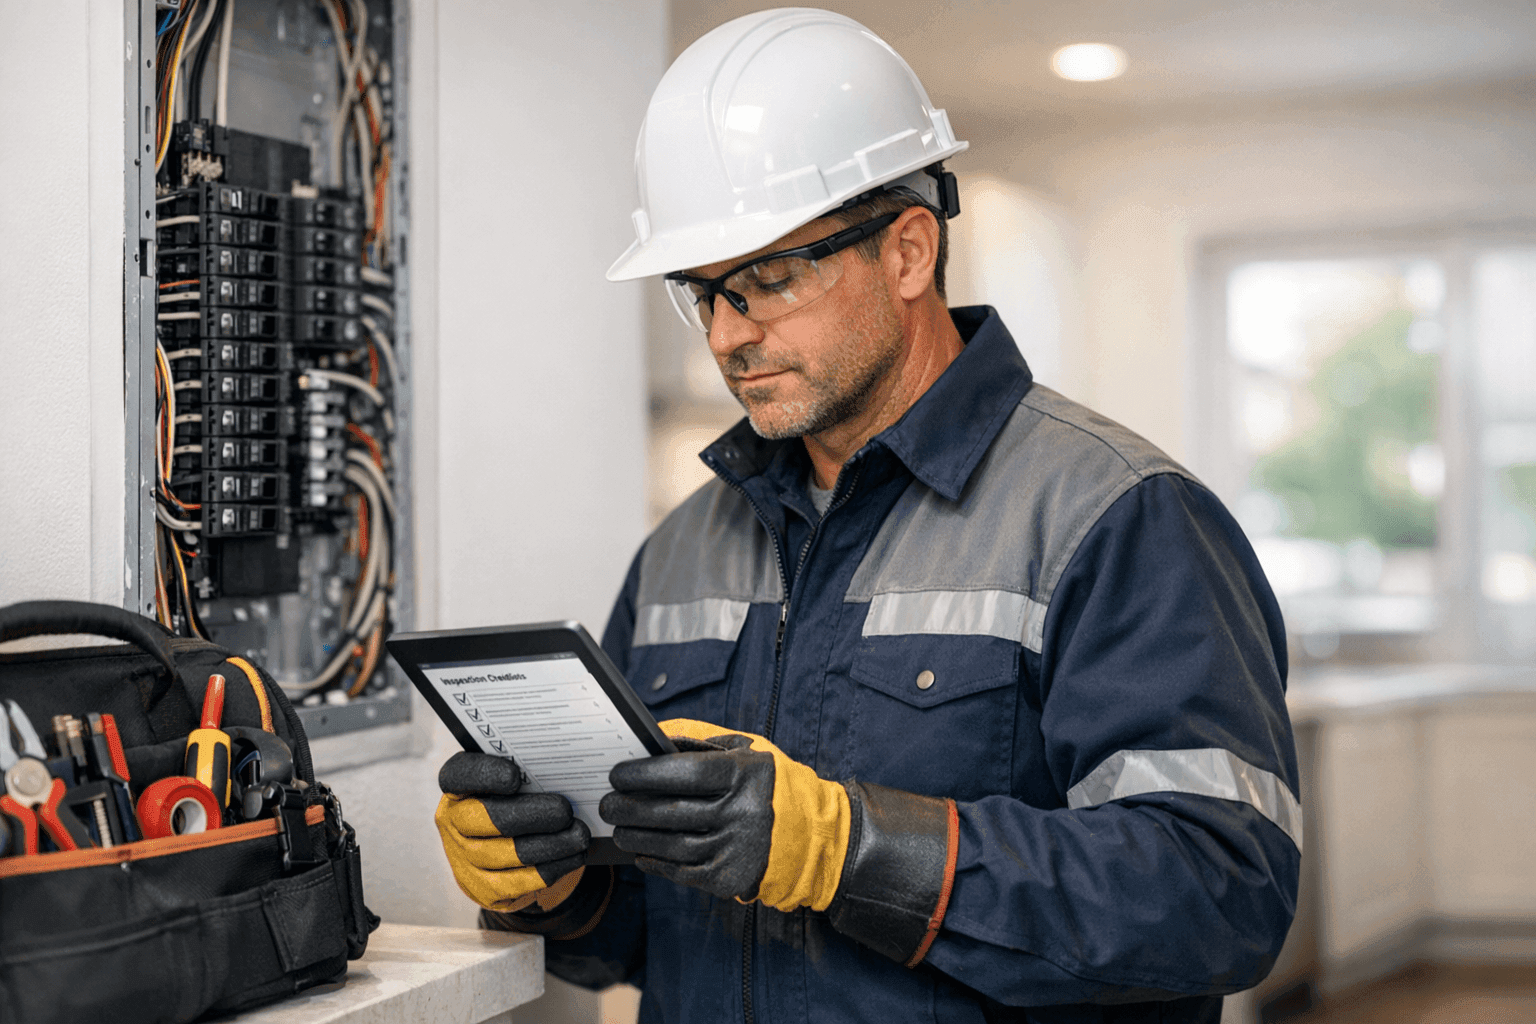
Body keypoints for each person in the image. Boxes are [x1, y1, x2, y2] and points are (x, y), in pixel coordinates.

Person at [433, 9, 1301, 1022]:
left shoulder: (1116, 515)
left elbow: (1219, 894)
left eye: (766, 279)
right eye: (701, 291)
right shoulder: (680, 552)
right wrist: (558, 881)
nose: (728, 335)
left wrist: (849, 848)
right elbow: (648, 933)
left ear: (908, 251)